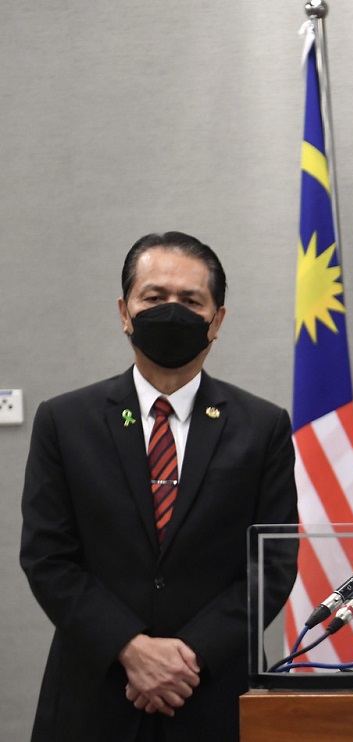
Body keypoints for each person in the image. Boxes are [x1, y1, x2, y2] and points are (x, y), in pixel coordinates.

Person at [20, 232, 298, 741]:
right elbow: (47, 557)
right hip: (93, 696)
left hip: (214, 694)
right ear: (125, 312)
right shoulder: (65, 421)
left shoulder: (263, 426)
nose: (172, 311)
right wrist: (130, 647)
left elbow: (273, 565)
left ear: (217, 321)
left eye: (191, 301)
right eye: (154, 298)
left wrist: (187, 657)